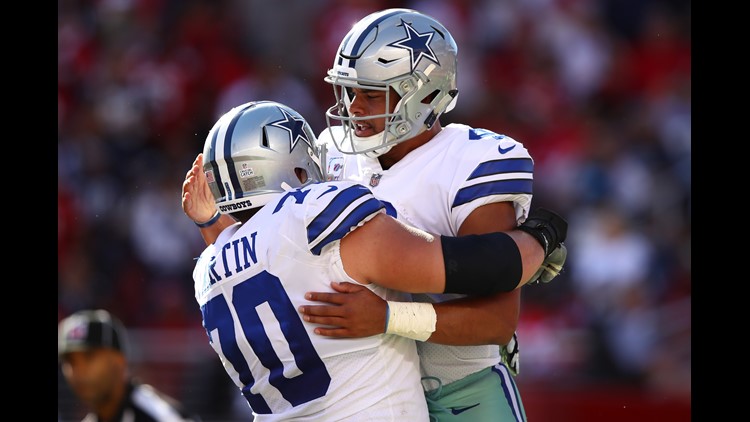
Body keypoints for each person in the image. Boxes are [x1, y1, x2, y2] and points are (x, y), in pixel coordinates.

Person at [181, 100, 566, 420]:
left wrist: (210, 222)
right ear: (295, 166)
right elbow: (482, 268)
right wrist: (541, 238)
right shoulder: (314, 213)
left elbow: (260, 255)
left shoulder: (207, 268)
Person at [299, 8, 568, 421]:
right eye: (349, 91)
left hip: (459, 389)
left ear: (424, 93)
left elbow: (497, 321)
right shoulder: (331, 151)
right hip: (361, 387)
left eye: (371, 93)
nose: (353, 108)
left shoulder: (472, 162)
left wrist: (389, 318)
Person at [58, 309, 201, 422]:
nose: (78, 371)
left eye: (89, 357)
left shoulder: (160, 415)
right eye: (69, 361)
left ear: (119, 360)